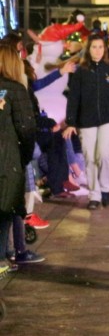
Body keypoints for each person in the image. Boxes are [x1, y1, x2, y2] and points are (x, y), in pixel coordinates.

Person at [63, 33, 109, 210]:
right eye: (94, 47)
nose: (97, 50)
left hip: (108, 119)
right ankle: (94, 195)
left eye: (100, 47)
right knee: (90, 156)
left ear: (105, 49)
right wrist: (71, 122)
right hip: (86, 121)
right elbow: (74, 98)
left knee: (104, 154)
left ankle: (106, 189)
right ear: (89, 49)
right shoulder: (81, 71)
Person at [0, 40, 38, 273]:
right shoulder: (16, 90)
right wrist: (23, 157)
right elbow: (26, 129)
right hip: (8, 162)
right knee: (4, 212)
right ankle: (2, 257)